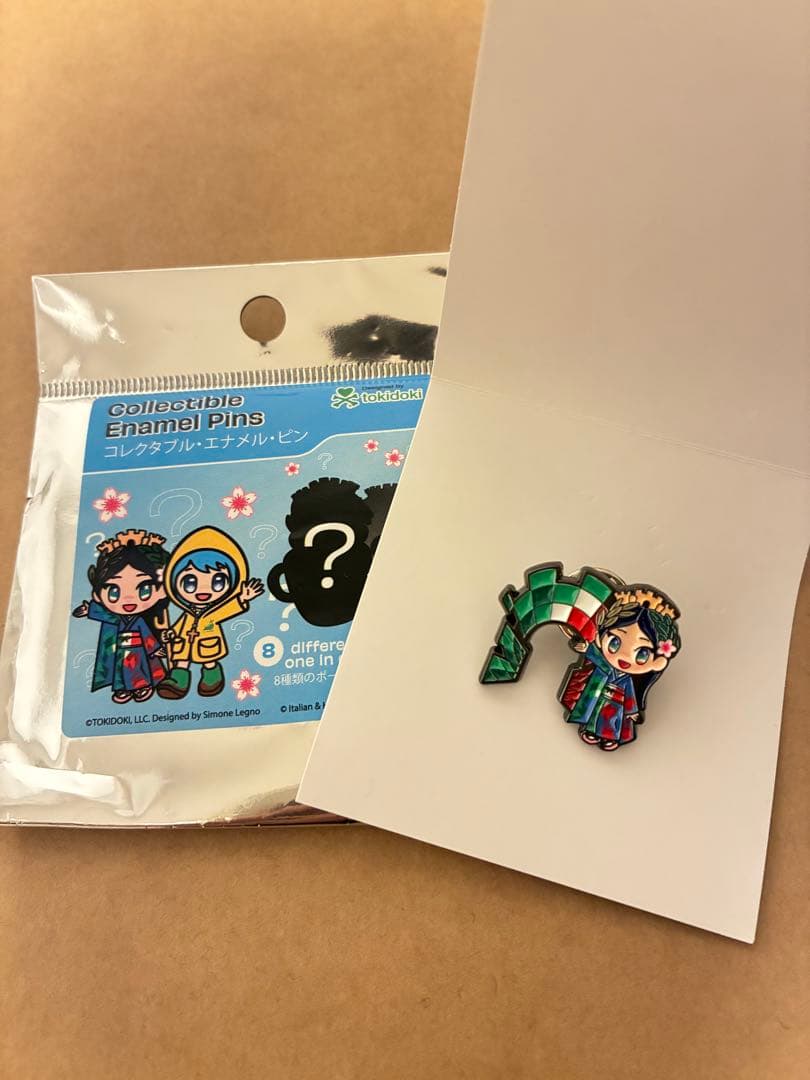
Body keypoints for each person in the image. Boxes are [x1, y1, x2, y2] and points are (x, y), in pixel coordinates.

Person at [559, 586, 681, 750]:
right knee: (593, 713)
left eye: (642, 654)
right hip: (596, 694)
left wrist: (633, 712)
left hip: (616, 705)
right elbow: (597, 657)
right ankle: (589, 730)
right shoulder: (604, 664)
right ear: (600, 636)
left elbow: (630, 696)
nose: (624, 656)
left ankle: (609, 738)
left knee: (611, 722)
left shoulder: (627, 680)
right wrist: (586, 648)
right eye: (615, 642)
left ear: (657, 662)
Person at [157, 526, 263, 699]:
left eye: (218, 582)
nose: (203, 590)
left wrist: (242, 598)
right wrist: (171, 633)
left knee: (209, 661)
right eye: (190, 582)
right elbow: (179, 626)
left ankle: (212, 677)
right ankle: (177, 682)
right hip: (184, 642)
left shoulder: (214, 612)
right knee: (181, 660)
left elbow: (229, 609)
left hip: (207, 641)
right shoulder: (188, 612)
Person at [72, 529, 171, 704]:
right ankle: (123, 688)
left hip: (138, 650)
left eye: (144, 589)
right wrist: (89, 610)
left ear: (161, 590)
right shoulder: (116, 618)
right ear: (97, 595)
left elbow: (147, 635)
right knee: (120, 672)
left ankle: (142, 687)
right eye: (114, 591)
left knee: (140, 670)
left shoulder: (138, 620)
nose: (128, 599)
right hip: (120, 650)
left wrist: (154, 649)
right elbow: (106, 615)